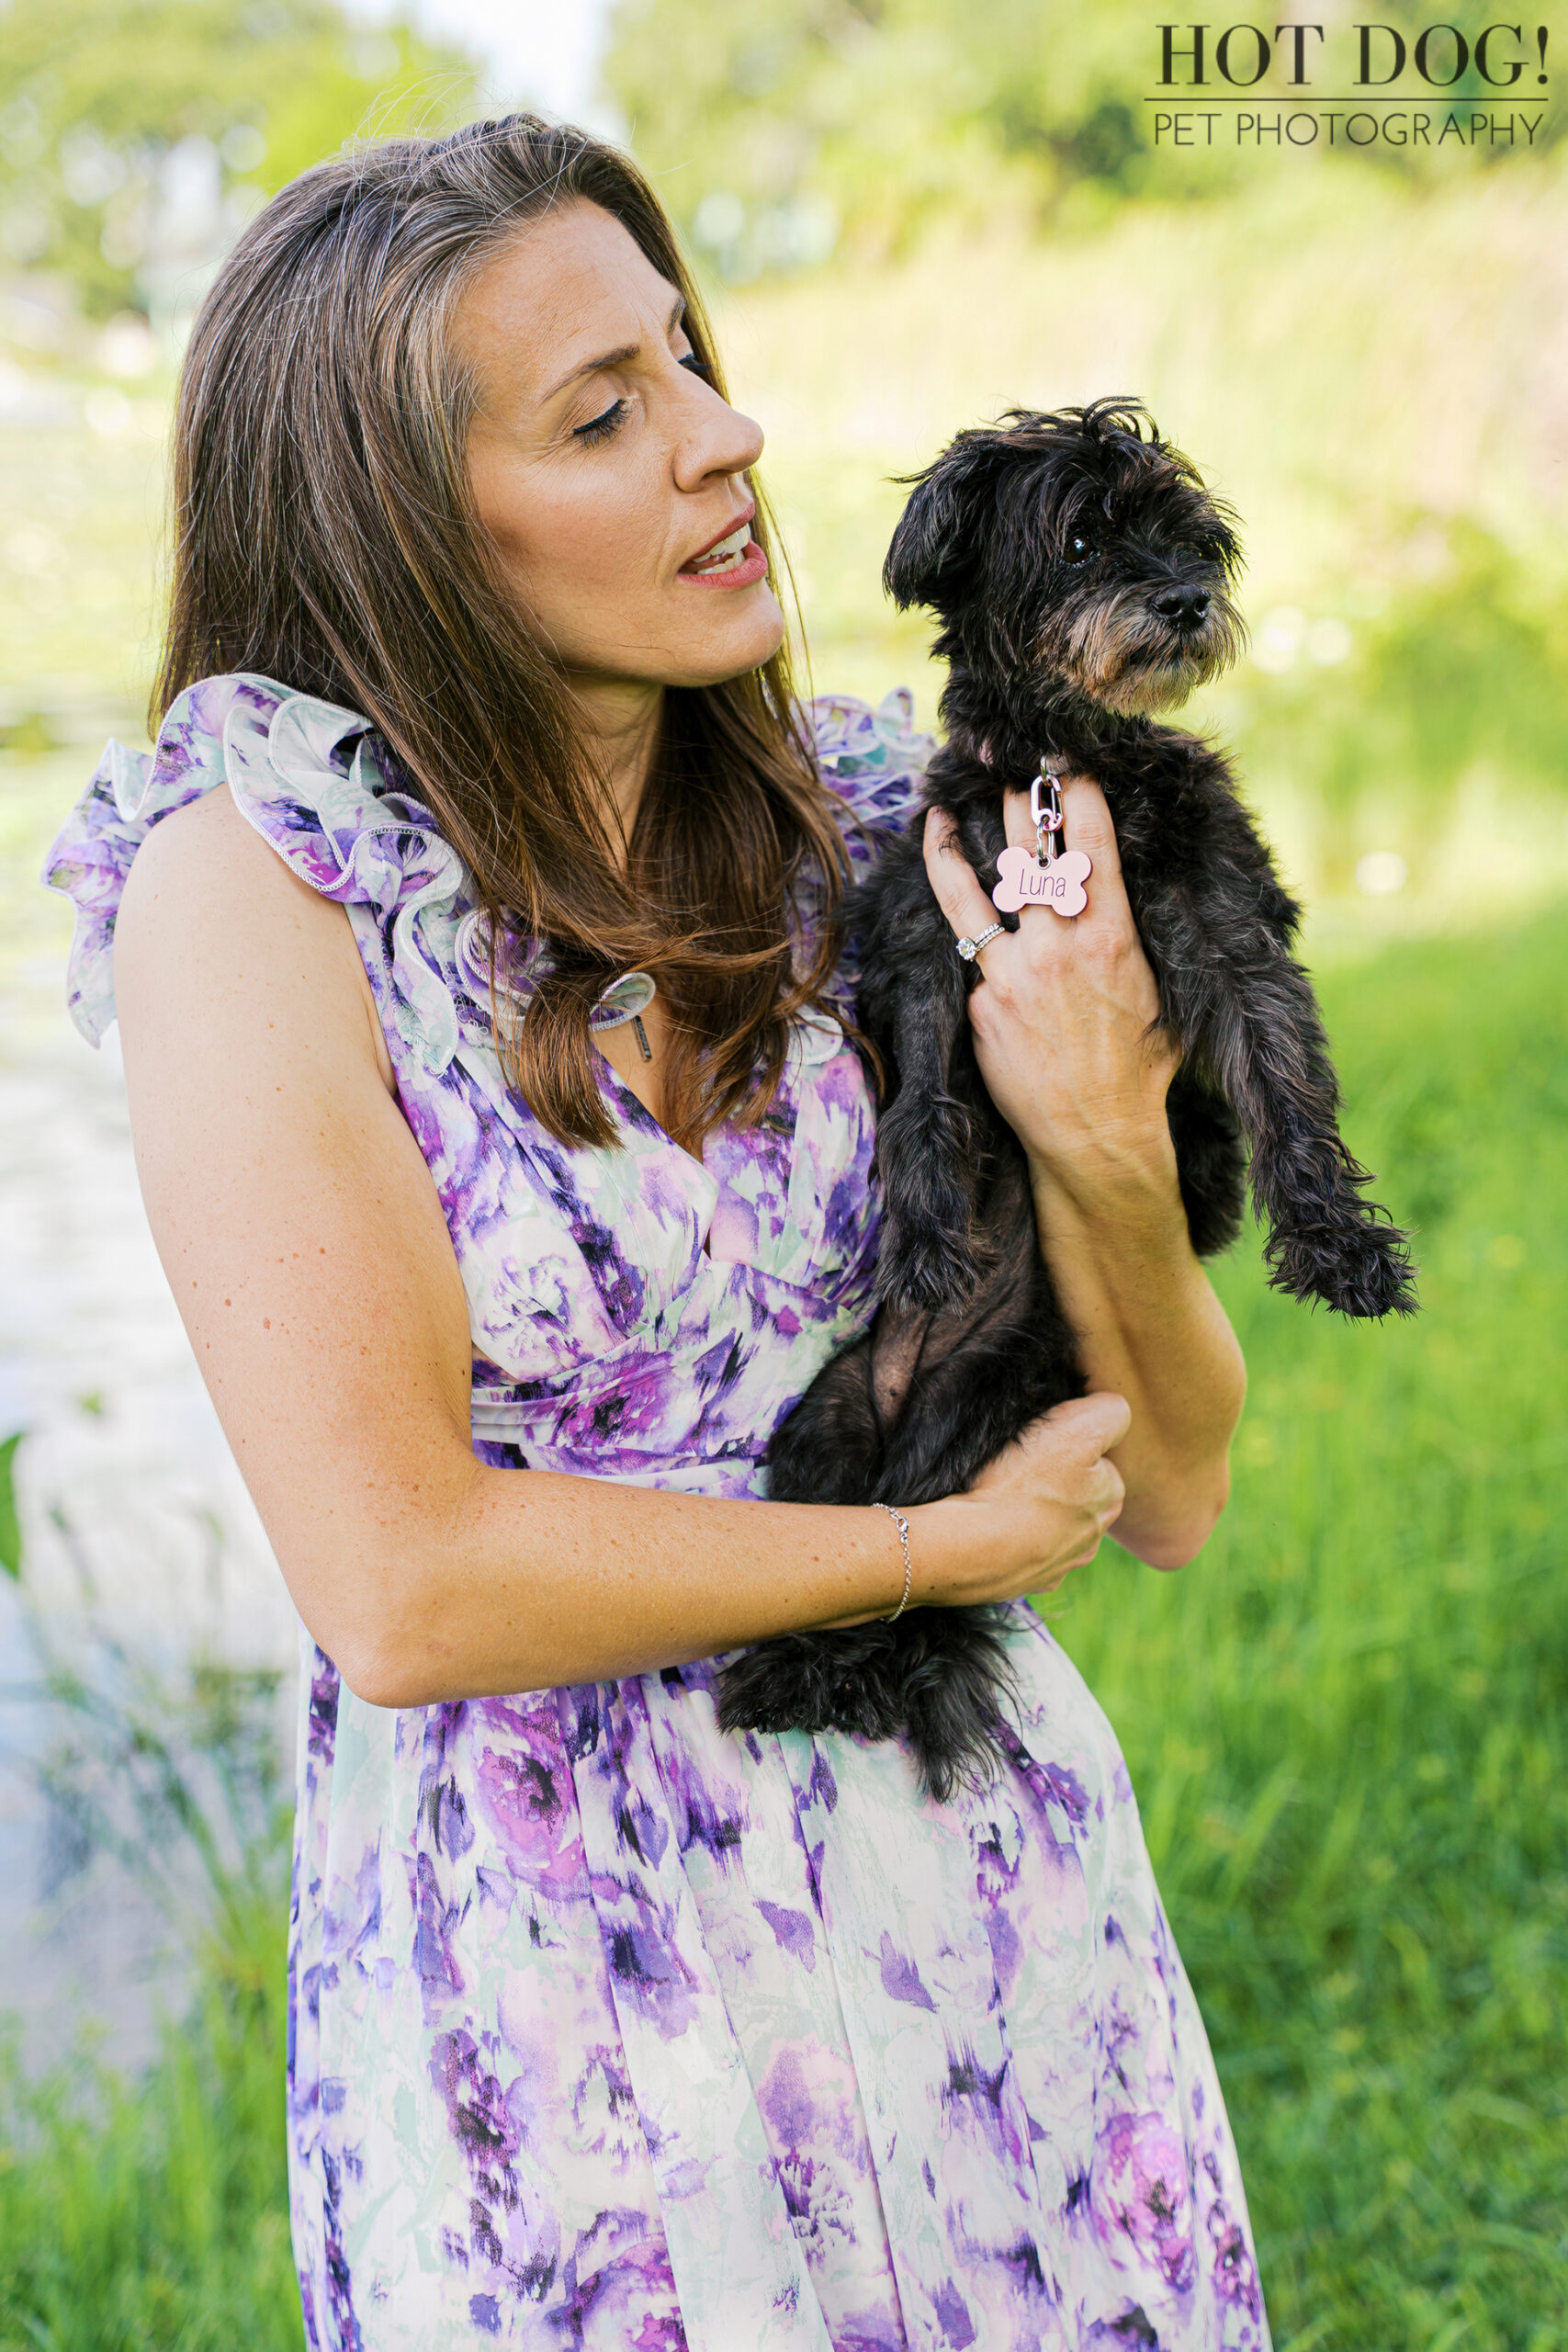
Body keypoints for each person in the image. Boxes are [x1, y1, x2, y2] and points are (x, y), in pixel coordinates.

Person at [46, 115, 1269, 2352]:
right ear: (404, 528)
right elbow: (404, 1582)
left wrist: (1099, 1140)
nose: (729, 439)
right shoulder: (262, 892)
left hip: (982, 1905)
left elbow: (1172, 1483)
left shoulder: (887, 834)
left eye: (686, 356)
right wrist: (920, 1548)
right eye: (605, 413)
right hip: (572, 1981)